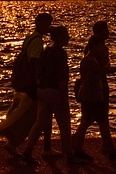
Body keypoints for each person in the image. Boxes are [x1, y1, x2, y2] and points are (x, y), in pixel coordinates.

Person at [18, 25, 79, 166]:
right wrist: (64, 97)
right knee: (64, 125)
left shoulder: (46, 50)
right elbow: (62, 78)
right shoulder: (60, 53)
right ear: (59, 38)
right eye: (66, 35)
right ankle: (69, 155)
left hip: (42, 90)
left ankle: (27, 151)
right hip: (54, 91)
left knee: (40, 122)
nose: (68, 38)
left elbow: (38, 71)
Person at [72, 21, 116, 161]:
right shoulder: (93, 55)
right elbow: (101, 72)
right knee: (93, 119)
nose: (108, 32)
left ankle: (107, 147)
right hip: (94, 92)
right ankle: (78, 146)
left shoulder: (91, 53)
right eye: (106, 30)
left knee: (97, 119)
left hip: (92, 91)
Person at [1, 12, 51, 161]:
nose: (49, 27)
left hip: (25, 82)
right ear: (41, 24)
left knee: (39, 115)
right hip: (32, 84)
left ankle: (46, 147)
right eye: (48, 24)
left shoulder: (30, 38)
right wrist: (40, 79)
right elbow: (34, 62)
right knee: (33, 117)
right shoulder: (37, 41)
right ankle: (14, 143)